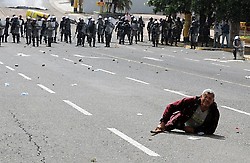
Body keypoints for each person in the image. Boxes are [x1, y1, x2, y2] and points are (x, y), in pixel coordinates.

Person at [151, 89, 220, 135]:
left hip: (197, 129)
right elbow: (171, 107)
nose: (207, 100)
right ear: (201, 97)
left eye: (210, 98)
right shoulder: (191, 101)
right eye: (205, 97)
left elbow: (212, 129)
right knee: (166, 127)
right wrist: (163, 123)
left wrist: (194, 130)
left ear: (213, 101)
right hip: (180, 123)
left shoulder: (214, 111)